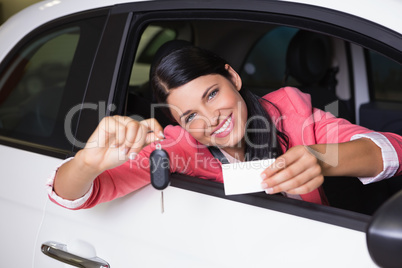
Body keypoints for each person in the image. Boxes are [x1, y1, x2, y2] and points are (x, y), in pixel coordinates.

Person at [47, 41, 402, 210]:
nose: (210, 118)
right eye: (189, 117)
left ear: (232, 76)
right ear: (179, 123)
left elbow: (391, 150)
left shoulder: (290, 113)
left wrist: (321, 158)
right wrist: (86, 163)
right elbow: (74, 194)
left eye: (213, 94)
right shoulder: (177, 147)